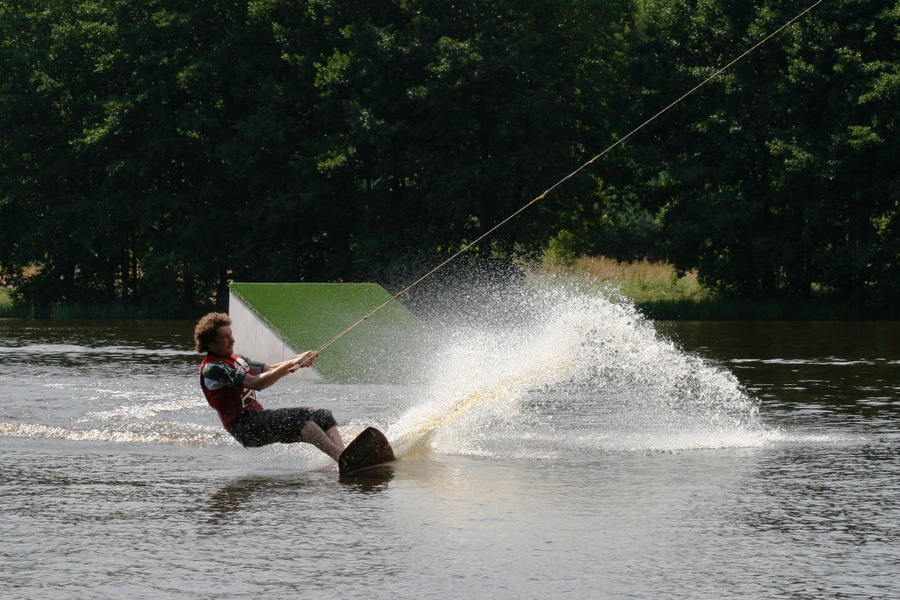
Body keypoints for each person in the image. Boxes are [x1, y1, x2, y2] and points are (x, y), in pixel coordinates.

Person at [194, 312, 345, 462]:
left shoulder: (238, 359)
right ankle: (341, 458)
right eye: (225, 337)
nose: (232, 340)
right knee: (298, 417)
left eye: (231, 334)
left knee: (323, 415)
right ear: (210, 343)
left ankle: (347, 458)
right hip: (244, 428)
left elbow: (271, 369)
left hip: (257, 418)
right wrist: (290, 364)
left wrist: (299, 359)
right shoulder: (213, 368)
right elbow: (256, 383)